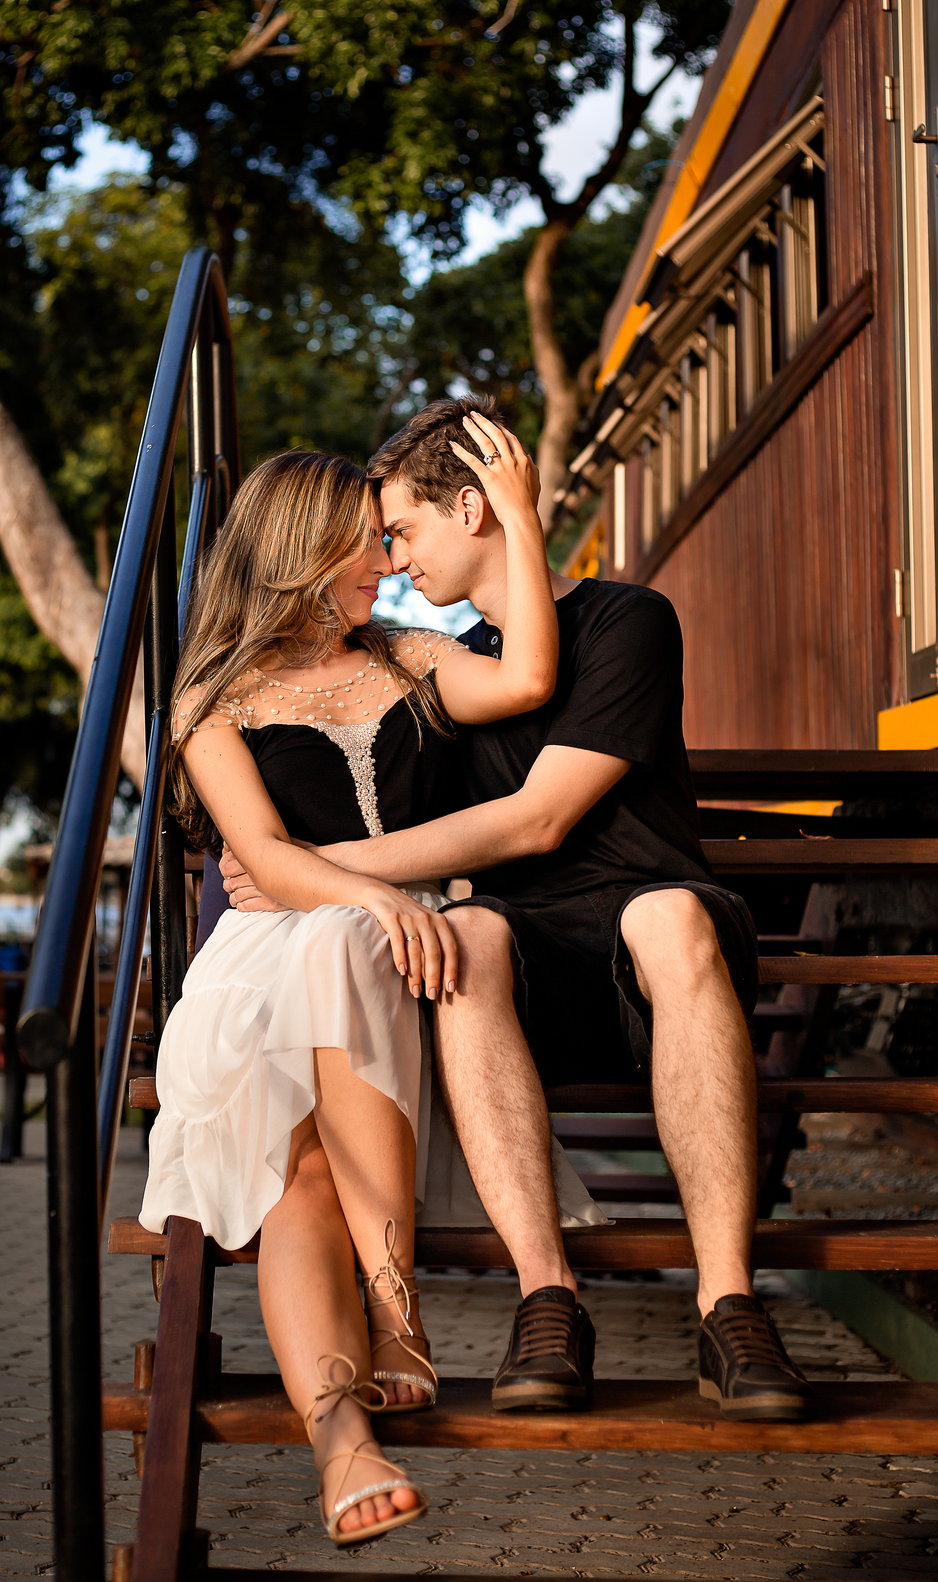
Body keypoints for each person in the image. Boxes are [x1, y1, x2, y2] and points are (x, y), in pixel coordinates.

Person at [221, 394, 814, 1424]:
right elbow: (330, 754)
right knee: (474, 929)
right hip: (519, 968)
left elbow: (538, 821)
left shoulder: (628, 621)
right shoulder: (440, 671)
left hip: (663, 955)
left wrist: (324, 859)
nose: (393, 560)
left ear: (477, 507)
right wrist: (272, 866)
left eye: (403, 530)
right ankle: (548, 1298)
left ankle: (730, 1310)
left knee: (664, 916)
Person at [138, 422, 598, 1549]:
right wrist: (382, 895)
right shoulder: (212, 701)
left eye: (389, 544)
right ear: (301, 549)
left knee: (312, 1137)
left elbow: (533, 675)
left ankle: (366, 1388)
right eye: (366, 546)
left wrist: (520, 517)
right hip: (275, 966)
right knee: (308, 1100)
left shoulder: (404, 654)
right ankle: (370, 1377)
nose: (388, 564)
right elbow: (268, 855)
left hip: (403, 965)